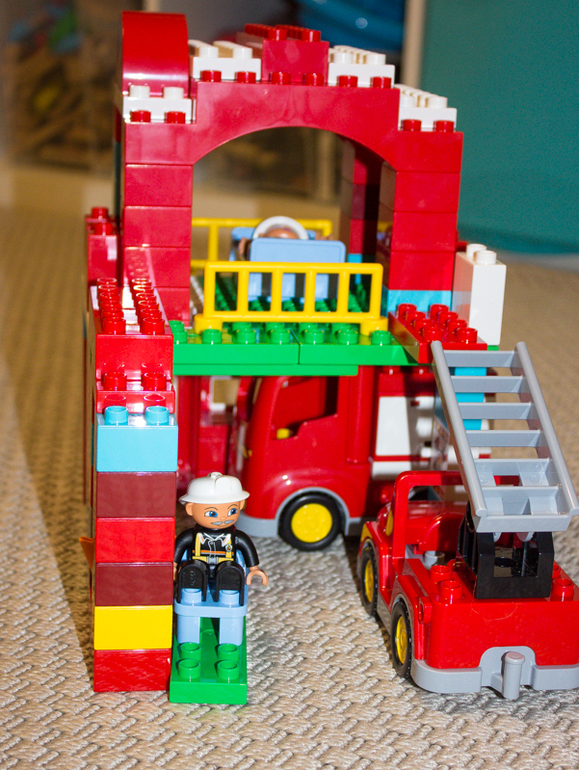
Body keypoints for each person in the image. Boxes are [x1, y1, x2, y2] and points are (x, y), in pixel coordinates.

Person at [174, 472, 267, 605]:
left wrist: (254, 569)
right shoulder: (192, 535)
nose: (223, 518)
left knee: (231, 573)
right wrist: (173, 566)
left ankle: (229, 597)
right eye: (212, 513)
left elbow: (247, 548)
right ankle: (192, 595)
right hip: (198, 568)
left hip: (226, 570)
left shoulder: (236, 537)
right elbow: (179, 546)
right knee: (191, 571)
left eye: (231, 511)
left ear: (240, 504)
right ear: (191, 509)